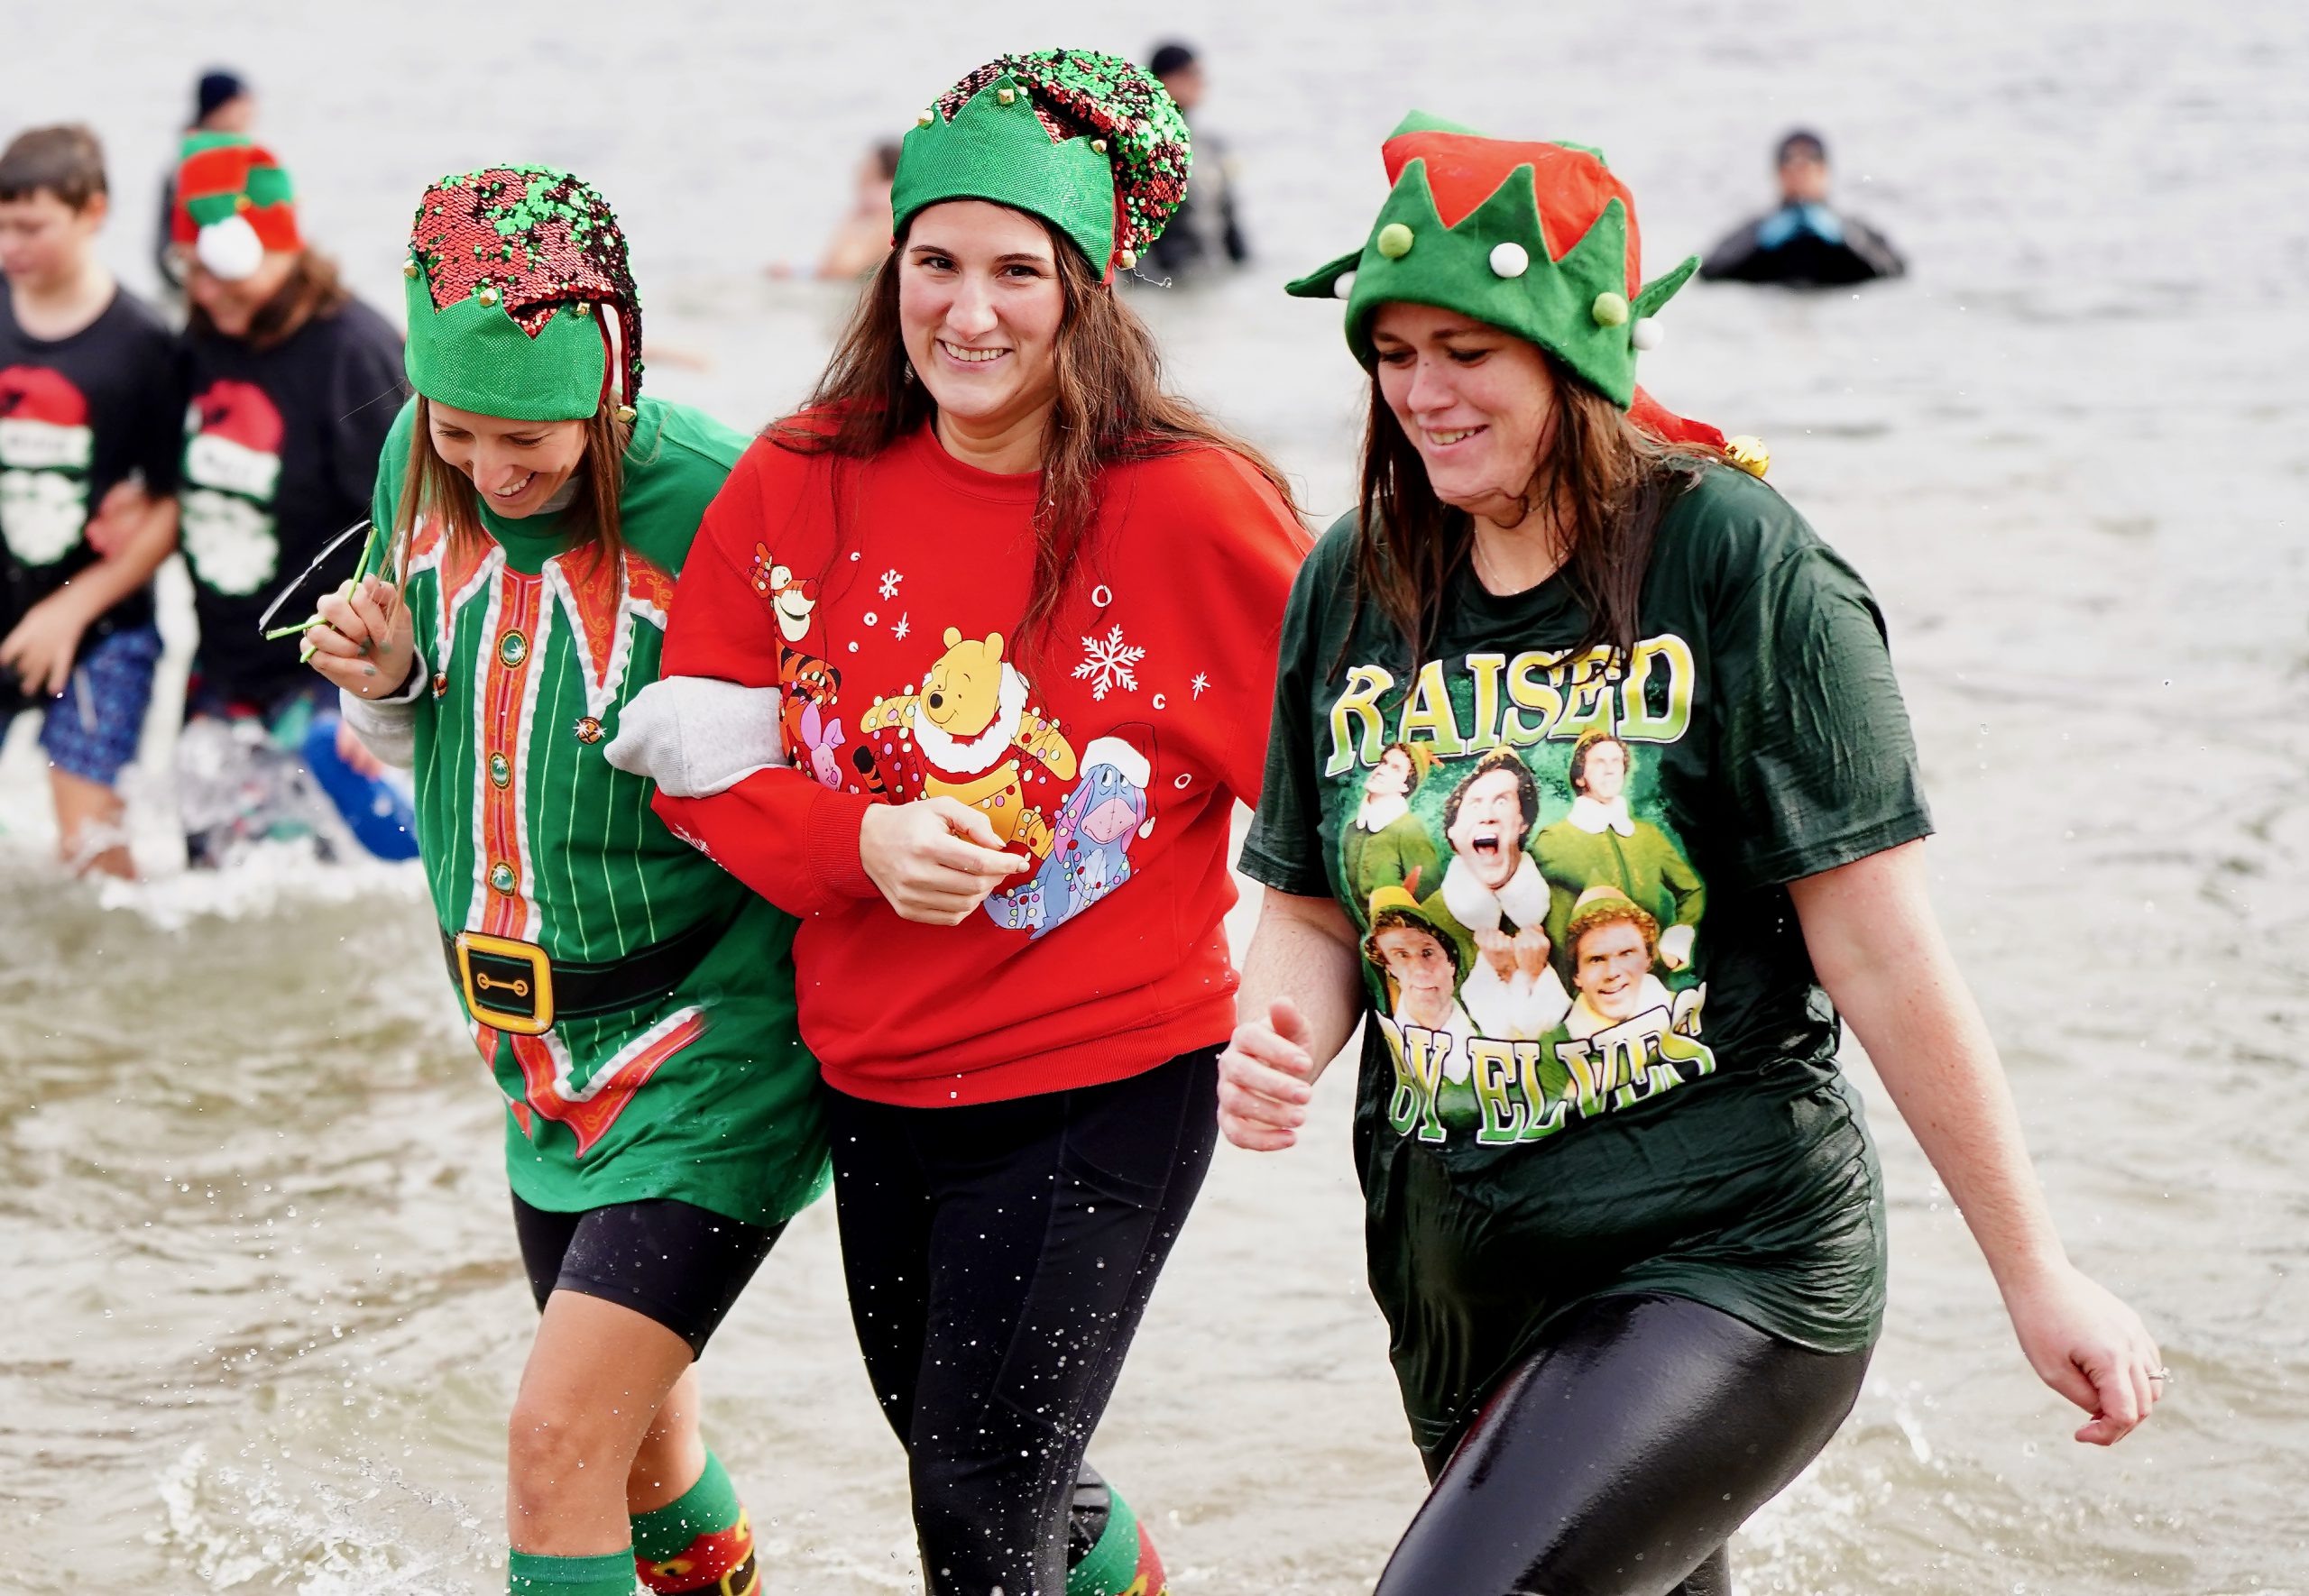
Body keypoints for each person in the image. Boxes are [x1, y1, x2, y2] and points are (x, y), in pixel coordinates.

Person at [1223, 112, 2162, 1596]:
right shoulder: (1360, 576)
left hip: (1726, 1251)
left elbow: (1882, 946)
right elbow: (1311, 903)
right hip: (1460, 1273)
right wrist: (1277, 1028)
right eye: (1393, 353)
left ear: (1572, 357)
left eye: (1466, 351)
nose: (1422, 392)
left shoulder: (1736, 561)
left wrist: (2032, 1268)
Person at [610, 48, 1307, 1596]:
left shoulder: (1190, 505)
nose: (969, 310)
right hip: (875, 1076)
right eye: (937, 262)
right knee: (985, 1467)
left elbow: (1336, 790)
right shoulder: (802, 477)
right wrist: (854, 849)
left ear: (1089, 289)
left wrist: (1328, 1010)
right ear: (892, 266)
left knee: (976, 1497)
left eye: (1016, 271)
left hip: (1104, 1079)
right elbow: (700, 762)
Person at [303, 165, 828, 1596]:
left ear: (612, 376)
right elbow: (424, 711)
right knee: (639, 1458)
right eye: (459, 429)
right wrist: (387, 683)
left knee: (551, 1446)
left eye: (525, 435)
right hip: (530, 1054)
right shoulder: (417, 453)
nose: (487, 469)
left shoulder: (725, 500)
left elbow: (854, 764)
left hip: (714, 1048)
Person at [168, 136, 407, 864]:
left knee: (328, 887)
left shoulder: (353, 351)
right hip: (223, 660)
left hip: (324, 664)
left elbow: (416, 522)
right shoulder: (205, 341)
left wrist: (377, 690)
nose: (204, 292)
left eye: (217, 273)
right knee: (214, 880)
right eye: (189, 273)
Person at [0, 125, 180, 876]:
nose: (10, 244)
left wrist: (72, 608)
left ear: (91, 213)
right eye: (1, 223)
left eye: (31, 226)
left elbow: (172, 507)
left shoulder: (145, 343)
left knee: (90, 851)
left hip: (102, 622)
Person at [1531, 727, 1703, 977]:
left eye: (1616, 762)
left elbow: (1692, 891)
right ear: (1580, 777)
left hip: (1646, 980)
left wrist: (1677, 938)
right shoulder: (1553, 840)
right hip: (1579, 986)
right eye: (1599, 762)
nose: (1610, 769)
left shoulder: (1648, 836)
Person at [1699, 128, 1905, 287]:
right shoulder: (1756, 230)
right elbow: (1709, 272)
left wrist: (1846, 240)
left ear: (1825, 172)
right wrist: (1759, 243)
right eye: (1792, 165)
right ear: (1779, 174)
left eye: (1810, 164)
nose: (1801, 174)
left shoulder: (1852, 228)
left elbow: (1895, 271)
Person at [1141, 41, 1246, 281]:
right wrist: (1152, 290)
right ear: (1162, 81)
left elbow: (1231, 222)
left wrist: (1246, 278)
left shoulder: (1212, 147)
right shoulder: (1144, 150)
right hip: (1172, 282)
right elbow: (1133, 236)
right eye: (1191, 74)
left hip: (1213, 275)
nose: (1201, 82)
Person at [154, 69, 258, 297]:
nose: (249, 112)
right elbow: (167, 249)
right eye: (239, 104)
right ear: (215, 110)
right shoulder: (188, 167)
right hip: (199, 290)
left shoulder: (247, 161)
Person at [806, 140, 902, 280]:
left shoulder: (878, 206)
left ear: (875, 171)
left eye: (865, 166)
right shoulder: (902, 203)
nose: (858, 170)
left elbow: (841, 268)